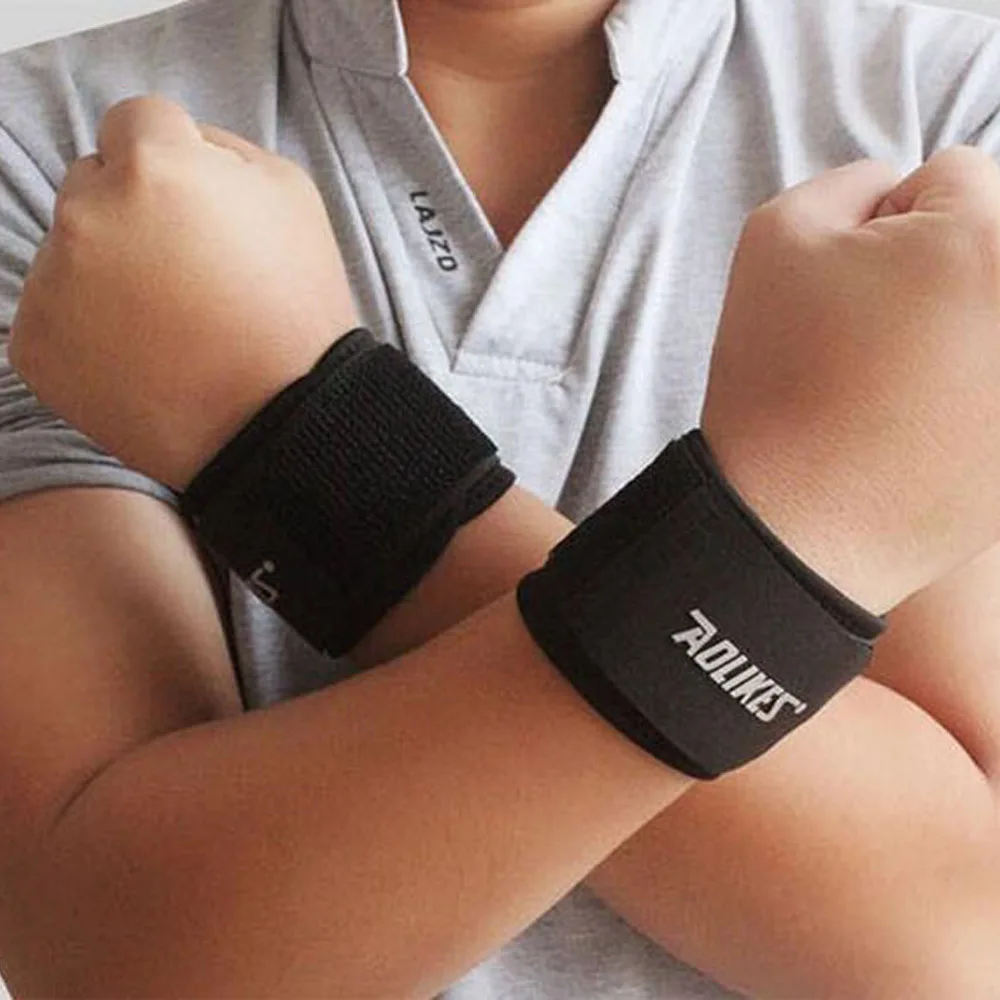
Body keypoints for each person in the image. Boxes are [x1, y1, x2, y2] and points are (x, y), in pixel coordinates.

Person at [1, 0, 999, 997]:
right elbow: (106, 960)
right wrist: (797, 529)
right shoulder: (46, 151)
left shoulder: (959, 107)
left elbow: (960, 945)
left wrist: (299, 441)